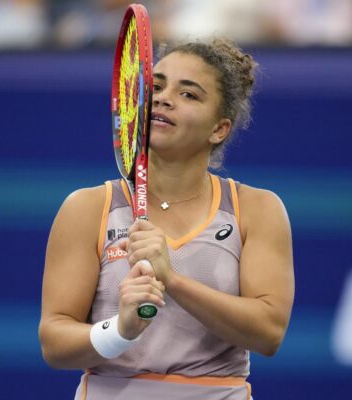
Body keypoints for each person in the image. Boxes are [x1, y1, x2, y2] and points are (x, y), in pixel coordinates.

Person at [38, 38, 295, 400]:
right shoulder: (87, 207)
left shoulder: (256, 209)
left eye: (189, 94)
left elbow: (268, 333)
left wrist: (172, 279)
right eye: (155, 86)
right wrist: (120, 330)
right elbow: (54, 342)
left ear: (219, 129)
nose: (162, 98)